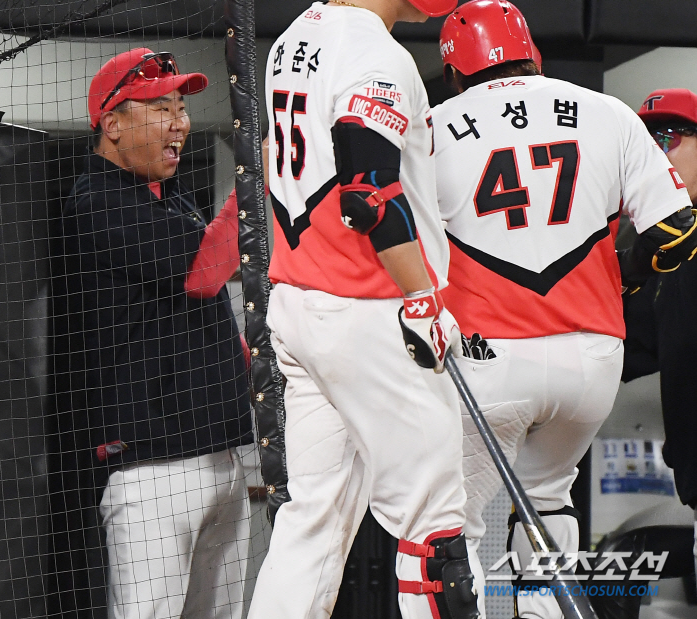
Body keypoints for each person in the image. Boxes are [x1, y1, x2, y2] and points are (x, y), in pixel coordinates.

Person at [431, 3, 697, 618]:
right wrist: (618, 278)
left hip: (486, 356)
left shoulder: (434, 124)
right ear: (535, 55)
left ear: (453, 73)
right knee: (548, 498)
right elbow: (678, 233)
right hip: (591, 360)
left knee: (456, 520)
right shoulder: (607, 113)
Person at [247, 2, 483, 619]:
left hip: (299, 303)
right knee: (435, 533)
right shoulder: (374, 50)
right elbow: (367, 193)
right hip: (371, 310)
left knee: (311, 523)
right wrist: (421, 296)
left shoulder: (296, 33)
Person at [57, 48, 253, 619]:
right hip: (150, 469)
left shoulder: (173, 198)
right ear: (112, 125)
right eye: (159, 106)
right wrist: (267, 168)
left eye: (181, 106)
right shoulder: (96, 201)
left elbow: (213, 307)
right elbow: (206, 269)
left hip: (220, 454)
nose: (180, 122)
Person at [623, 87, 697, 580]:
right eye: (646, 143)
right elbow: (628, 347)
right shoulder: (666, 252)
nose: (656, 154)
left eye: (668, 138)